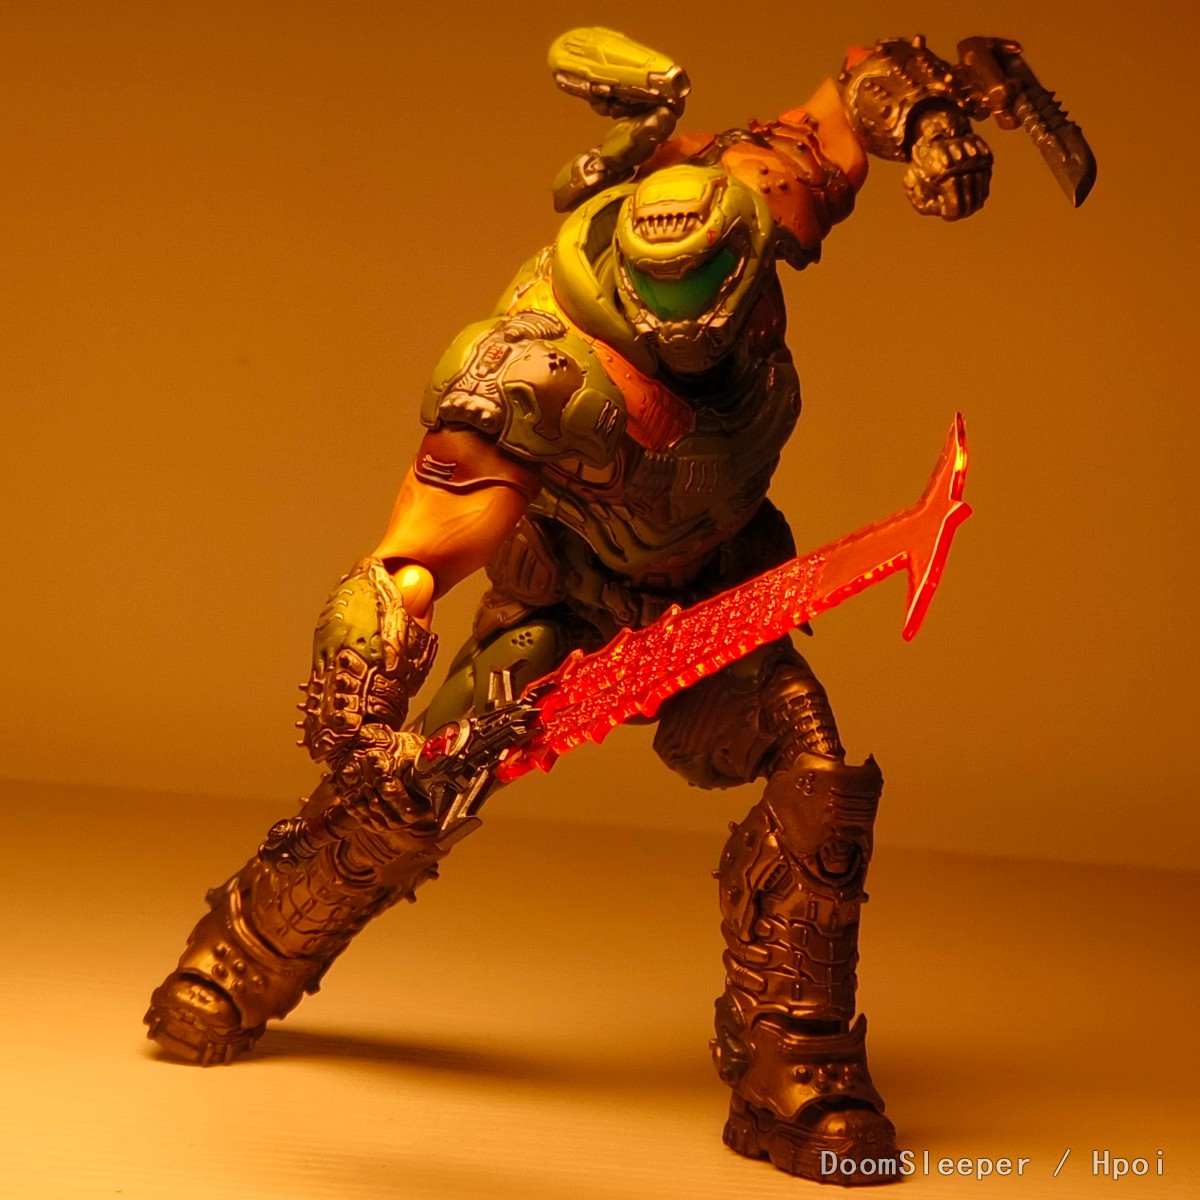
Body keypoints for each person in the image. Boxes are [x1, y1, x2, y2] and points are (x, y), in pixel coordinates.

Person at [145, 28, 1078, 1184]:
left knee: (816, 772)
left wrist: (931, 123)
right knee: (413, 790)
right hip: (567, 606)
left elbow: (854, 88)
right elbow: (414, 557)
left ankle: (794, 1059)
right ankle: (242, 953)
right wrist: (360, 703)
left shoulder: (741, 196)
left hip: (716, 588)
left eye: (716, 309)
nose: (695, 334)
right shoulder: (528, 373)